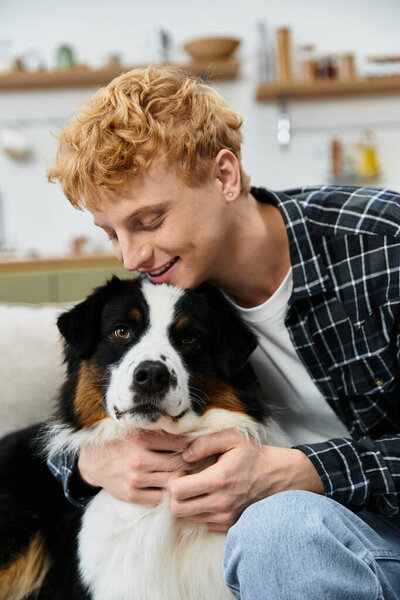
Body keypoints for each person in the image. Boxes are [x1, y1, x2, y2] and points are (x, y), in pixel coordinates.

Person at [47, 65, 400, 599]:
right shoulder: (176, 300)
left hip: (345, 530)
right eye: (112, 232)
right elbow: (71, 416)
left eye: (149, 220)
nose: (131, 255)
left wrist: (307, 470)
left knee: (277, 530)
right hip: (288, 550)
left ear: (225, 177)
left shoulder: (382, 246)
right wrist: (90, 462)